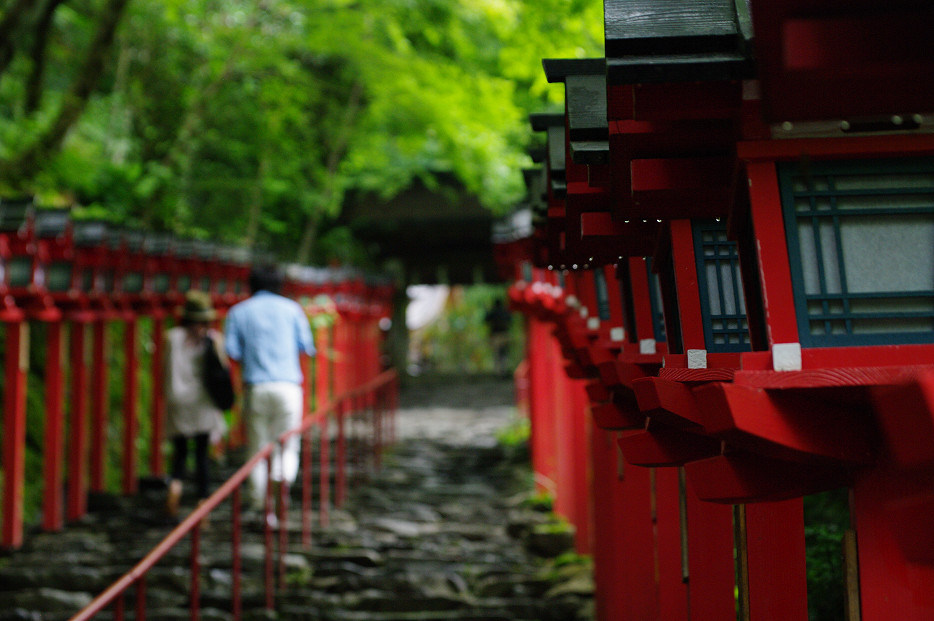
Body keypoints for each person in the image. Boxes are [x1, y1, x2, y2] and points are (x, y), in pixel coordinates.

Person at [224, 264, 315, 514]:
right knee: (289, 444)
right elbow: (307, 346)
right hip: (288, 385)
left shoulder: (238, 312)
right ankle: (282, 478)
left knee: (257, 447)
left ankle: (259, 502)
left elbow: (231, 351)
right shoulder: (292, 310)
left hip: (256, 387)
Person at [164, 290, 228, 516]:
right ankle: (202, 506)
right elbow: (222, 372)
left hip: (178, 402)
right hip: (203, 403)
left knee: (180, 452)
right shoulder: (212, 339)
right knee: (201, 453)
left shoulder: (172, 338)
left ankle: (175, 487)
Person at [484, 298, 512, 377]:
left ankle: (498, 372)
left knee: (496, 354)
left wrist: (487, 311)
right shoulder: (505, 311)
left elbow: (486, 320)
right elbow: (510, 320)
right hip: (504, 333)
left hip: (495, 334)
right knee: (504, 353)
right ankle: (503, 370)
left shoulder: (493, 311)